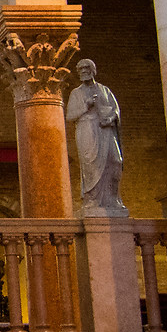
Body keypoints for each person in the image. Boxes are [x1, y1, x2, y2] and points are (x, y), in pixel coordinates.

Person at [64, 58, 127, 217]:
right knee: (90, 165)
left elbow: (115, 110)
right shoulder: (76, 93)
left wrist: (111, 118)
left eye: (87, 67)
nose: (84, 71)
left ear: (93, 70)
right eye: (81, 69)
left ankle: (112, 199)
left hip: (105, 130)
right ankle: (92, 200)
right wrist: (86, 105)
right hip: (87, 129)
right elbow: (70, 115)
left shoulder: (105, 90)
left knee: (115, 161)